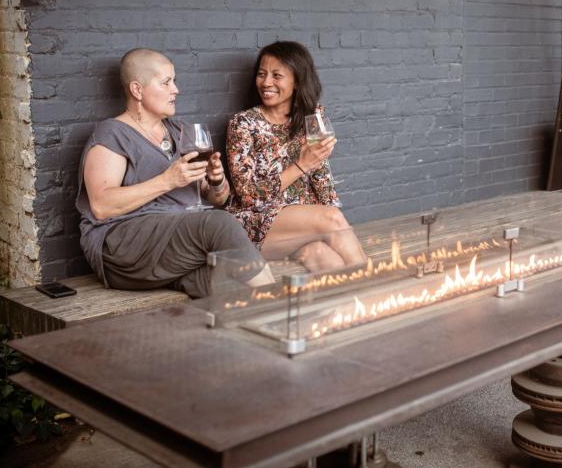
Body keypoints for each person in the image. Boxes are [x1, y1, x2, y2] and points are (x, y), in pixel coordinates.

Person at [76, 49, 274, 298]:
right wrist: (166, 181)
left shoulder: (182, 131)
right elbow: (102, 206)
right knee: (220, 224)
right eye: (166, 82)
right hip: (123, 248)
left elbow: (218, 199)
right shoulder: (113, 134)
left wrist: (216, 181)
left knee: (232, 283)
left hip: (173, 249)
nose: (175, 90)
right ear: (137, 90)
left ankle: (270, 323)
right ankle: (281, 307)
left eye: (174, 81)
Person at [226, 41, 367, 272]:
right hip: (254, 225)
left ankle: (351, 304)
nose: (266, 82)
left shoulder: (311, 117)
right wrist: (301, 165)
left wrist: (327, 228)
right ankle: (377, 293)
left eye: (276, 75)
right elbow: (248, 197)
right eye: (262, 74)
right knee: (332, 218)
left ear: (298, 81)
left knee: (325, 258)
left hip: (300, 228)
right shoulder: (243, 124)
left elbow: (322, 181)